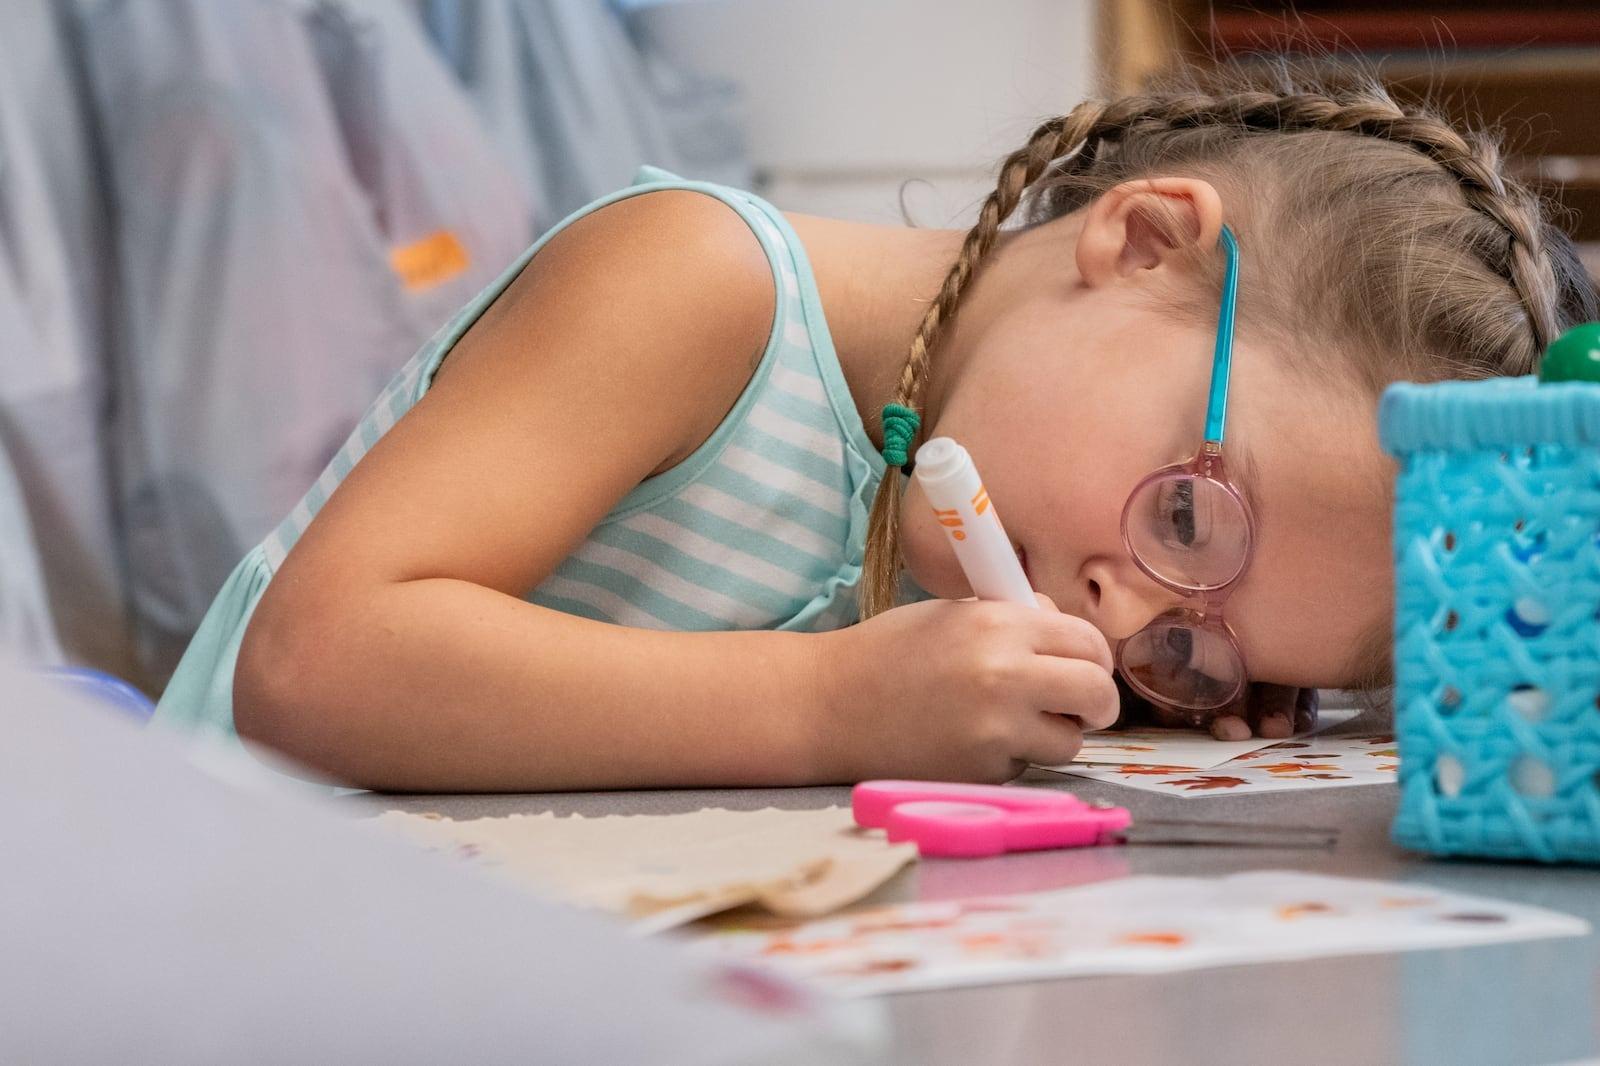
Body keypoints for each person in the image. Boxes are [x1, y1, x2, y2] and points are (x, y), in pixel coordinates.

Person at [155, 69, 1598, 792]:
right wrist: (835, 707)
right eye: (1183, 517)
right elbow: (316, 661)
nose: (1123, 612)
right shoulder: (695, 283)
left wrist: (1150, 685)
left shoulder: (996, 523)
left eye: (1200, 641)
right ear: (1146, 240)